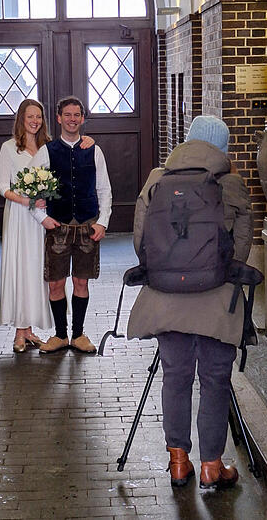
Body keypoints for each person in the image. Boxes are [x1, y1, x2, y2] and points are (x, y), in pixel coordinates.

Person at [126, 115, 252, 490]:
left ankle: (178, 462)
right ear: (223, 147)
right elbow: (242, 248)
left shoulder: (157, 179)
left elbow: (139, 240)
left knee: (175, 377)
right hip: (216, 302)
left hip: (166, 299)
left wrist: (167, 270)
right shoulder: (231, 184)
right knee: (214, 380)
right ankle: (212, 466)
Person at [0, 99, 93, 353]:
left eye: (39, 117)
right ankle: (20, 330)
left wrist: (88, 141)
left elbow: (72, 153)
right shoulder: (9, 149)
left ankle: (30, 331)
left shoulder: (48, 147)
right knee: (21, 269)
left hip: (43, 219)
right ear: (21, 119)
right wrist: (27, 201)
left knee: (41, 272)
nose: (35, 121)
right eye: (30, 116)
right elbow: (2, 187)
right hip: (20, 216)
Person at [29, 96, 112, 354]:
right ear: (59, 118)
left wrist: (103, 222)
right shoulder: (47, 152)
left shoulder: (94, 150)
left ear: (83, 118)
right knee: (55, 283)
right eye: (68, 115)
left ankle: (78, 334)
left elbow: (105, 189)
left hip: (87, 225)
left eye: (77, 115)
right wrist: (43, 218)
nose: (72, 119)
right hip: (59, 226)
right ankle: (60, 335)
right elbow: (31, 190)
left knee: (81, 282)